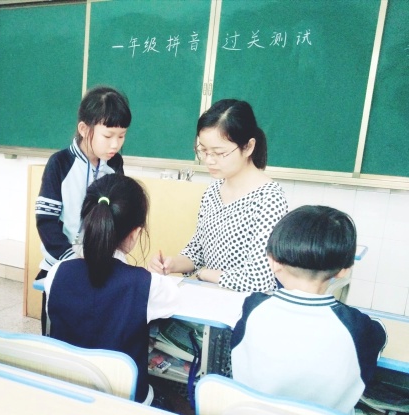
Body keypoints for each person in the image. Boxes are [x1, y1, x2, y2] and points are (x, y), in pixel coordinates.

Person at [230, 205, 387, 414]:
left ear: (272, 261)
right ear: (345, 270)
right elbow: (380, 335)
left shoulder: (253, 308)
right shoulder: (356, 326)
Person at [44, 174, 180, 404]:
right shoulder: (148, 285)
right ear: (135, 234)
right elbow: (173, 299)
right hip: (125, 401)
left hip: (67, 396)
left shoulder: (57, 273)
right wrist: (153, 276)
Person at [148, 99, 288, 292]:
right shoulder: (213, 191)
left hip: (245, 303)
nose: (209, 160)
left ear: (248, 147)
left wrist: (206, 274)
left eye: (219, 153)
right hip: (212, 297)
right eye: (203, 150)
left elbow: (259, 279)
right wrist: (171, 264)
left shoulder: (269, 199)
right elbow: (196, 252)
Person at [35, 85, 131, 332]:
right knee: (58, 337)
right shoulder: (60, 164)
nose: (115, 144)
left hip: (99, 269)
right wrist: (70, 260)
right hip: (61, 266)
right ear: (84, 129)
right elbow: (46, 221)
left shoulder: (115, 164)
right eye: (108, 136)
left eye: (121, 136)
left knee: (93, 334)